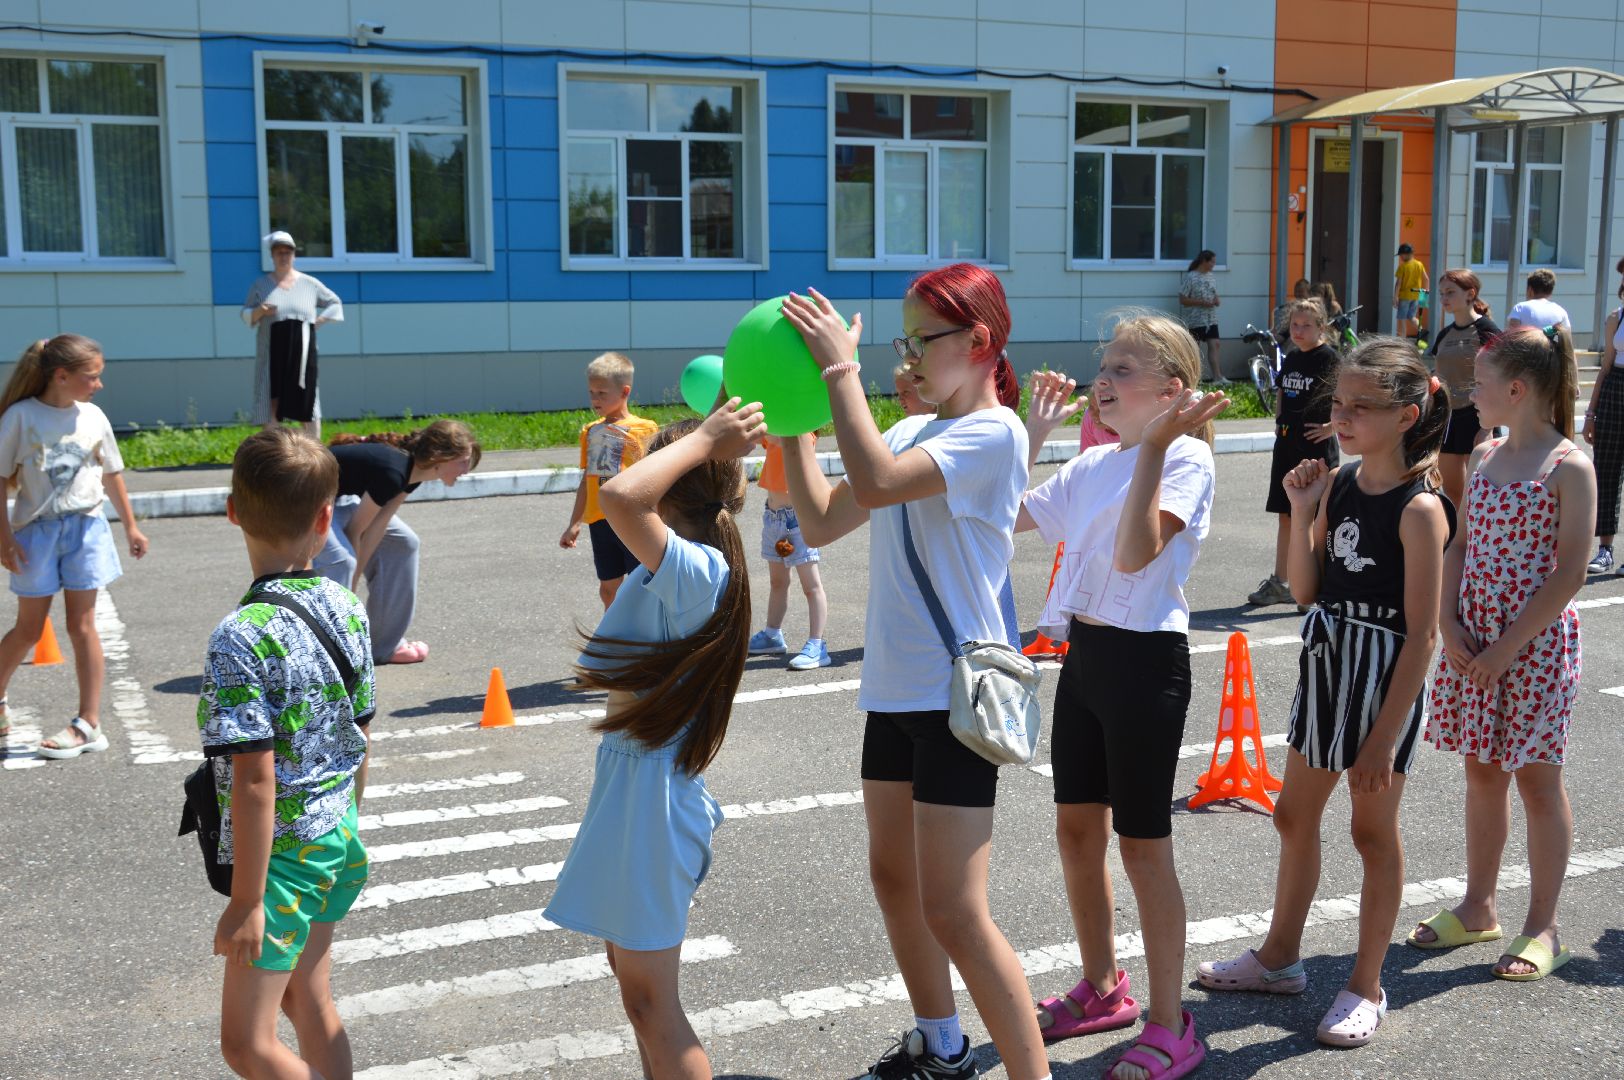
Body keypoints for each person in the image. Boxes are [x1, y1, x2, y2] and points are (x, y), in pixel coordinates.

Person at [777, 266, 1052, 1080]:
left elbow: (874, 482)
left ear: (978, 342)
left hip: (954, 698)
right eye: (901, 342)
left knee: (958, 912)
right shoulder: (909, 431)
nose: (907, 359)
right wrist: (795, 415)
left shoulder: (993, 435)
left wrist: (837, 372)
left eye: (920, 340)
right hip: (895, 690)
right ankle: (941, 1044)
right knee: (894, 878)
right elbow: (825, 519)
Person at [1197, 338, 1453, 1049]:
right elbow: (1306, 590)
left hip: (1383, 682)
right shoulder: (1337, 483)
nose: (1341, 415)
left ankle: (1367, 982)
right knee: (1292, 814)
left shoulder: (1421, 509)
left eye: (1359, 406)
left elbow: (1422, 637)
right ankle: (1280, 957)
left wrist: (1380, 738)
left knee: (1371, 833)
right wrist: (1306, 505)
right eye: (1338, 402)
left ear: (1406, 415)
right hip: (1328, 667)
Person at [1020, 314, 1227, 1080]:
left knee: (1142, 847)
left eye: (1124, 370)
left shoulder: (1185, 466)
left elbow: (1139, 552)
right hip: (1088, 657)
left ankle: (1173, 1023)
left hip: (1145, 664)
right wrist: (1031, 436)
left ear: (1174, 391)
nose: (1102, 380)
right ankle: (1104, 988)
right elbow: (995, 519)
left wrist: (1160, 447)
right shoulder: (1093, 465)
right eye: (1103, 366)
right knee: (1076, 833)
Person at [544, 402, 765, 1078]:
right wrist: (703, 446)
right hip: (633, 789)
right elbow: (625, 500)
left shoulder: (698, 571)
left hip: (652, 801)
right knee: (632, 984)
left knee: (650, 1002)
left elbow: (616, 498)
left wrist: (701, 440)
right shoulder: (677, 566)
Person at [1413, 325, 1593, 982]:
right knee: (1482, 772)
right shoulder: (1485, 454)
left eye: (1480, 385)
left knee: (1538, 781)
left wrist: (1506, 649)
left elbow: (1569, 572)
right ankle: (1479, 905)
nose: (1471, 394)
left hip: (1534, 647)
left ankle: (1543, 925)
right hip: (1476, 639)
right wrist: (1449, 622)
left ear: (1516, 390)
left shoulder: (1569, 466)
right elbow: (1458, 545)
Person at [200, 427, 375, 1079]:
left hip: (282, 863)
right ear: (326, 519)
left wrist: (247, 901)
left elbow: (252, 779)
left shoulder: (238, 638)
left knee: (247, 1045)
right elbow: (360, 733)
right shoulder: (346, 607)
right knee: (309, 997)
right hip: (336, 838)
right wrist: (347, 817)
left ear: (234, 510)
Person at [0, 334, 148, 757]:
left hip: (86, 528)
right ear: (61, 376)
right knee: (28, 629)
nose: (99, 384)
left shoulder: (94, 416)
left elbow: (112, 473)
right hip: (36, 533)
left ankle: (88, 723)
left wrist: (131, 528)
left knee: (81, 626)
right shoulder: (21, 417)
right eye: (92, 377)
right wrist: (4, 536)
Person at [312, 421, 480, 665]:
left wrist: (355, 578)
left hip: (336, 499)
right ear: (440, 458)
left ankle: (381, 645)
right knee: (341, 559)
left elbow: (376, 529)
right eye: (463, 461)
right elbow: (355, 531)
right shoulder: (394, 472)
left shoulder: (413, 474)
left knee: (404, 543)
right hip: (301, 497)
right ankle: (328, 652)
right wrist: (351, 588)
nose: (466, 470)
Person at [1249, 299, 1340, 609]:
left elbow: (1349, 399)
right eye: (1294, 325)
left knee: (1314, 518)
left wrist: (1332, 427)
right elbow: (1281, 392)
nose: (1298, 331)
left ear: (1322, 328)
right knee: (1286, 516)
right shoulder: (1291, 356)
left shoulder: (1329, 359)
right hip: (1287, 444)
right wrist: (1278, 423)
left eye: (1306, 326)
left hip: (1314, 448)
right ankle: (1281, 582)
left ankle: (1311, 587)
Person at [561, 353, 661, 609]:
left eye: (602, 393)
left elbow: (656, 474)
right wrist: (574, 523)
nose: (595, 399)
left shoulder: (644, 429)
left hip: (631, 518)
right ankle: (612, 636)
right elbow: (587, 479)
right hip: (599, 520)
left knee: (641, 582)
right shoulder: (591, 431)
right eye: (592, 392)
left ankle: (644, 634)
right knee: (608, 587)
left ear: (624, 391)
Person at [241, 231, 343, 438]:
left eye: (287, 252)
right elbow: (246, 314)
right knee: (272, 400)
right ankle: (274, 451)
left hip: (303, 355)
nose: (283, 256)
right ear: (272, 255)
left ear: (294, 255)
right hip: (271, 355)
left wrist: (319, 321)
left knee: (308, 402)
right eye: (279, 252)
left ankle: (314, 453)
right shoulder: (261, 285)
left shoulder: (309, 284)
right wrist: (261, 311)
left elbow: (335, 303)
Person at [747, 437, 832, 670]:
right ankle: (772, 635)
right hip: (773, 517)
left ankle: (817, 644)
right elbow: (759, 438)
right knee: (778, 582)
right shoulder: (776, 427)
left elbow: (779, 438)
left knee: (811, 586)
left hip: (798, 518)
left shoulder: (800, 431)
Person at [1429, 269, 1502, 514]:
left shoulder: (1487, 330)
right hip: (1450, 417)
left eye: (1451, 292)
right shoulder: (1443, 335)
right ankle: (1459, 542)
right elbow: (1436, 377)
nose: (1444, 298)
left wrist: (1488, 427)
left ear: (1470, 294)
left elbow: (1501, 378)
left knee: (1481, 490)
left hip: (1479, 415)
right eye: (1441, 293)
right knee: (1452, 491)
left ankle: (1482, 541)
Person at [1583, 256, 1624, 573]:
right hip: (1614, 390)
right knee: (1605, 472)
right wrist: (1591, 413)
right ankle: (1605, 549)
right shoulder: (1617, 317)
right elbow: (1606, 366)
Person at [1179, 250, 1226, 384]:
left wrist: (1216, 299)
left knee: (1215, 344)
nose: (1213, 265)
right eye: (1212, 262)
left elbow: (1213, 292)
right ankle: (1193, 379)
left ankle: (1218, 377)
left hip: (1210, 318)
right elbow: (1183, 300)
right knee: (1194, 348)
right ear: (1204, 261)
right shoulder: (1191, 277)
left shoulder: (1211, 276)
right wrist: (1202, 303)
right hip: (1195, 319)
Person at [1505, 269, 1571, 332]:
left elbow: (1511, 337)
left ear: (1530, 290)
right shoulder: (1561, 311)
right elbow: (1567, 339)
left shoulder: (1520, 308)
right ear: (1550, 292)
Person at [1393, 244, 1429, 340]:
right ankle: (1421, 330)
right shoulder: (1419, 264)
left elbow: (1398, 283)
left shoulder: (1403, 267)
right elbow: (1426, 279)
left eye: (1401, 255)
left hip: (1405, 296)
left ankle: (1402, 339)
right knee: (1411, 317)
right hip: (1417, 295)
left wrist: (1395, 297)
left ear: (1407, 254)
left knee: (1401, 318)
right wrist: (1425, 293)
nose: (1400, 257)